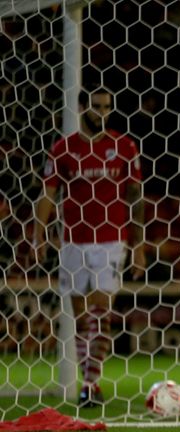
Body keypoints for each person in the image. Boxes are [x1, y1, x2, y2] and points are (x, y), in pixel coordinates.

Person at [33, 86, 145, 407]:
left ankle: (90, 385)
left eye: (108, 107)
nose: (103, 112)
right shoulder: (63, 149)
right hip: (74, 242)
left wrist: (139, 244)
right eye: (97, 106)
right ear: (82, 107)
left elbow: (135, 198)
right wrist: (38, 235)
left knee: (101, 311)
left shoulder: (124, 147)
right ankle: (88, 378)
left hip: (111, 240)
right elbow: (48, 194)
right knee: (81, 318)